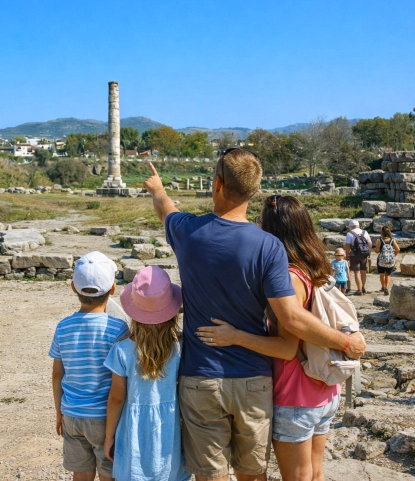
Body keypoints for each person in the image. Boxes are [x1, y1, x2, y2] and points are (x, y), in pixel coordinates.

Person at [143, 153, 366, 481]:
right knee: (253, 474)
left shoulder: (188, 231)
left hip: (201, 376)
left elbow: (166, 210)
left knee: (210, 475)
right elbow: (290, 318)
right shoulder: (270, 246)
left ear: (217, 184)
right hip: (254, 380)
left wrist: (158, 189)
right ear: (254, 190)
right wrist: (347, 342)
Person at [197, 195, 343, 481]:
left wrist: (235, 336)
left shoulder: (288, 278)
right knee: (315, 474)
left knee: (299, 476)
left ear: (274, 232)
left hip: (295, 393)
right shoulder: (312, 268)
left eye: (260, 223)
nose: (256, 228)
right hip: (322, 388)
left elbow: (288, 348)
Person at [103, 266, 191, 481]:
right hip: (170, 426)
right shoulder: (181, 347)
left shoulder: (122, 349)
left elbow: (116, 397)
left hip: (133, 428)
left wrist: (108, 436)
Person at [49, 251, 129, 481]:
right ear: (113, 288)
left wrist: (59, 412)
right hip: (105, 417)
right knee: (108, 471)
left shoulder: (63, 327)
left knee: (81, 473)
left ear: (73, 287)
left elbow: (57, 374)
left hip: (72, 414)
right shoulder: (119, 329)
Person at [345, 219, 371, 295]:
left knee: (357, 272)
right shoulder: (365, 232)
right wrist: (367, 252)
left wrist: (347, 255)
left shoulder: (349, 234)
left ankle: (359, 290)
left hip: (354, 255)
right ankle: (363, 287)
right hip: (364, 255)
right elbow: (370, 243)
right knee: (363, 271)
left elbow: (347, 246)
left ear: (351, 227)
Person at [375, 225, 400, 296]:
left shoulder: (379, 240)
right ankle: (387, 287)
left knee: (382, 274)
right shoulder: (393, 240)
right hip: (390, 260)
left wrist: (377, 249)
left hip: (381, 260)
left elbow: (377, 251)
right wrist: (393, 255)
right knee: (388, 275)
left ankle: (383, 287)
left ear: (382, 232)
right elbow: (398, 249)